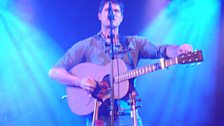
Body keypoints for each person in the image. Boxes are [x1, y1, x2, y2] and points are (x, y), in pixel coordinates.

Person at [48, 0, 193, 125]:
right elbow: (54, 71)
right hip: (98, 113)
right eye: (107, 10)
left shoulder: (135, 43)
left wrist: (179, 50)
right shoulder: (86, 45)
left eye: (116, 10)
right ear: (99, 15)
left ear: (122, 17)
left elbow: (161, 50)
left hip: (127, 110)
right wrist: (80, 82)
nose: (112, 13)